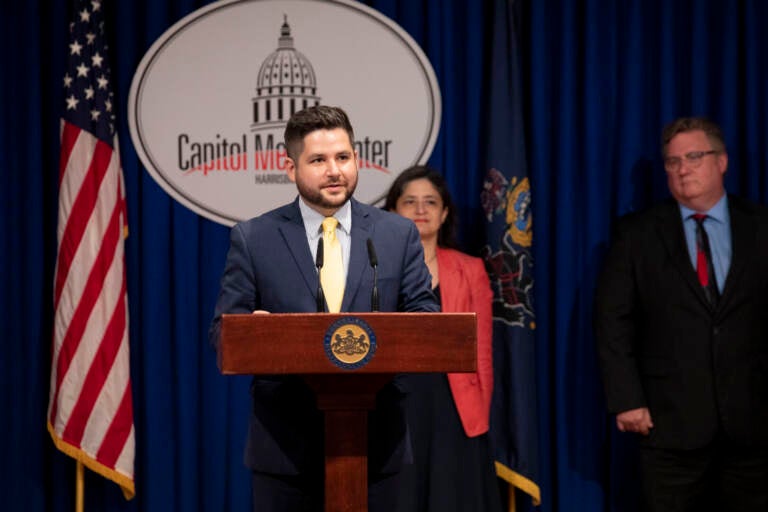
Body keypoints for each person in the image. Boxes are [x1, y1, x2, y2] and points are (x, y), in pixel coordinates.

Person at [209, 106, 438, 512]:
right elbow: (223, 335)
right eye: (318, 160)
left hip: (376, 443)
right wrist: (256, 336)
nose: (335, 171)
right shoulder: (255, 238)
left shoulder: (396, 234)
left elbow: (428, 324)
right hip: (285, 450)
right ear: (290, 167)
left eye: (343, 157)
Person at [594, 117, 768, 511]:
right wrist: (626, 399)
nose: (682, 169)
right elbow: (612, 322)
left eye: (693, 157)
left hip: (754, 424)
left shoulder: (761, 227)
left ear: (721, 162)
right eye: (672, 162)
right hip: (669, 426)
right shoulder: (636, 234)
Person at [384, 165, 502, 512]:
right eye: (410, 202)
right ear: (392, 211)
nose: (421, 210)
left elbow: (482, 350)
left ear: (445, 212)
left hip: (454, 406)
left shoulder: (470, 269)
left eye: (431, 202)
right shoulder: (375, 268)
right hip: (396, 403)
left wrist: (479, 411)